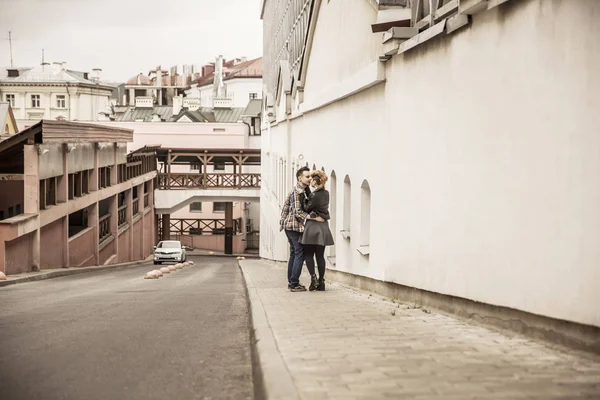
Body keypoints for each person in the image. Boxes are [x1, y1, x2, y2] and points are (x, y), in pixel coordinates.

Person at [279, 166, 313, 292]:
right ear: (300, 178)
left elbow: (285, 209)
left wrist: (282, 222)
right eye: (307, 176)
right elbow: (297, 212)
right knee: (300, 253)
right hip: (293, 227)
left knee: (294, 253)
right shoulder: (297, 192)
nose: (310, 178)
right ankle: (294, 284)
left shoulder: (301, 191)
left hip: (289, 226)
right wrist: (310, 218)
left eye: (310, 176)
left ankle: (292, 282)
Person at [300, 170, 334, 291]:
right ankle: (321, 282)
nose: (310, 181)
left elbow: (307, 208)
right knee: (320, 256)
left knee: (308, 254)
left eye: (312, 179)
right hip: (323, 227)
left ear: (316, 181)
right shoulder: (326, 193)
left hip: (312, 226)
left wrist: (303, 200)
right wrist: (308, 192)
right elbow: (314, 199)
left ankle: (313, 278)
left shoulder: (314, 195)